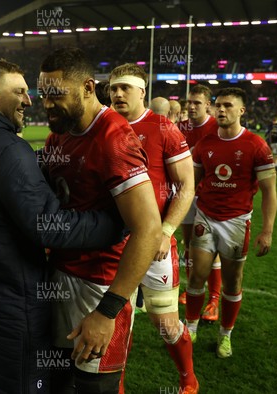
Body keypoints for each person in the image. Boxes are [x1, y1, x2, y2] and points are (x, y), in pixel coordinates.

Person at [0, 59, 125, 394]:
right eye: (20, 92)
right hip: (12, 291)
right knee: (28, 382)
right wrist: (113, 225)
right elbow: (50, 226)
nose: (29, 101)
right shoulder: (9, 149)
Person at [39, 48, 162, 394]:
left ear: (88, 88)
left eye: (56, 94)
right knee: (56, 382)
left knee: (96, 388)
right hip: (60, 275)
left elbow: (148, 229)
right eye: (43, 94)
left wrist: (108, 311)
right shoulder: (57, 135)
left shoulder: (114, 139)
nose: (47, 104)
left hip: (99, 286)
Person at [109, 63, 198, 394]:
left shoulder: (162, 127)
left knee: (165, 323)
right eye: (113, 88)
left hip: (155, 244)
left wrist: (167, 230)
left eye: (125, 88)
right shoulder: (102, 125)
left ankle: (188, 378)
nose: (117, 93)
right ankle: (115, 386)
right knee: (116, 323)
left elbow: (187, 184)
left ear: (141, 91)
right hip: (112, 244)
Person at [185, 87, 277, 358]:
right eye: (218, 105)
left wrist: (267, 231)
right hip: (205, 216)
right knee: (196, 276)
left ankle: (225, 335)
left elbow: (270, 192)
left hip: (237, 222)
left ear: (242, 110)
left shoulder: (256, 145)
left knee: (233, 282)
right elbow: (192, 184)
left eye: (227, 105)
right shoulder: (205, 144)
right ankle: (190, 327)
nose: (221, 110)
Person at [176, 85, 222, 322]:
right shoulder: (180, 127)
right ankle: (191, 286)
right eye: (189, 103)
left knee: (209, 250)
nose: (191, 107)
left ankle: (214, 299)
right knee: (188, 244)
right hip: (184, 194)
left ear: (208, 105)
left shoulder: (216, 127)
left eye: (197, 103)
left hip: (207, 196)